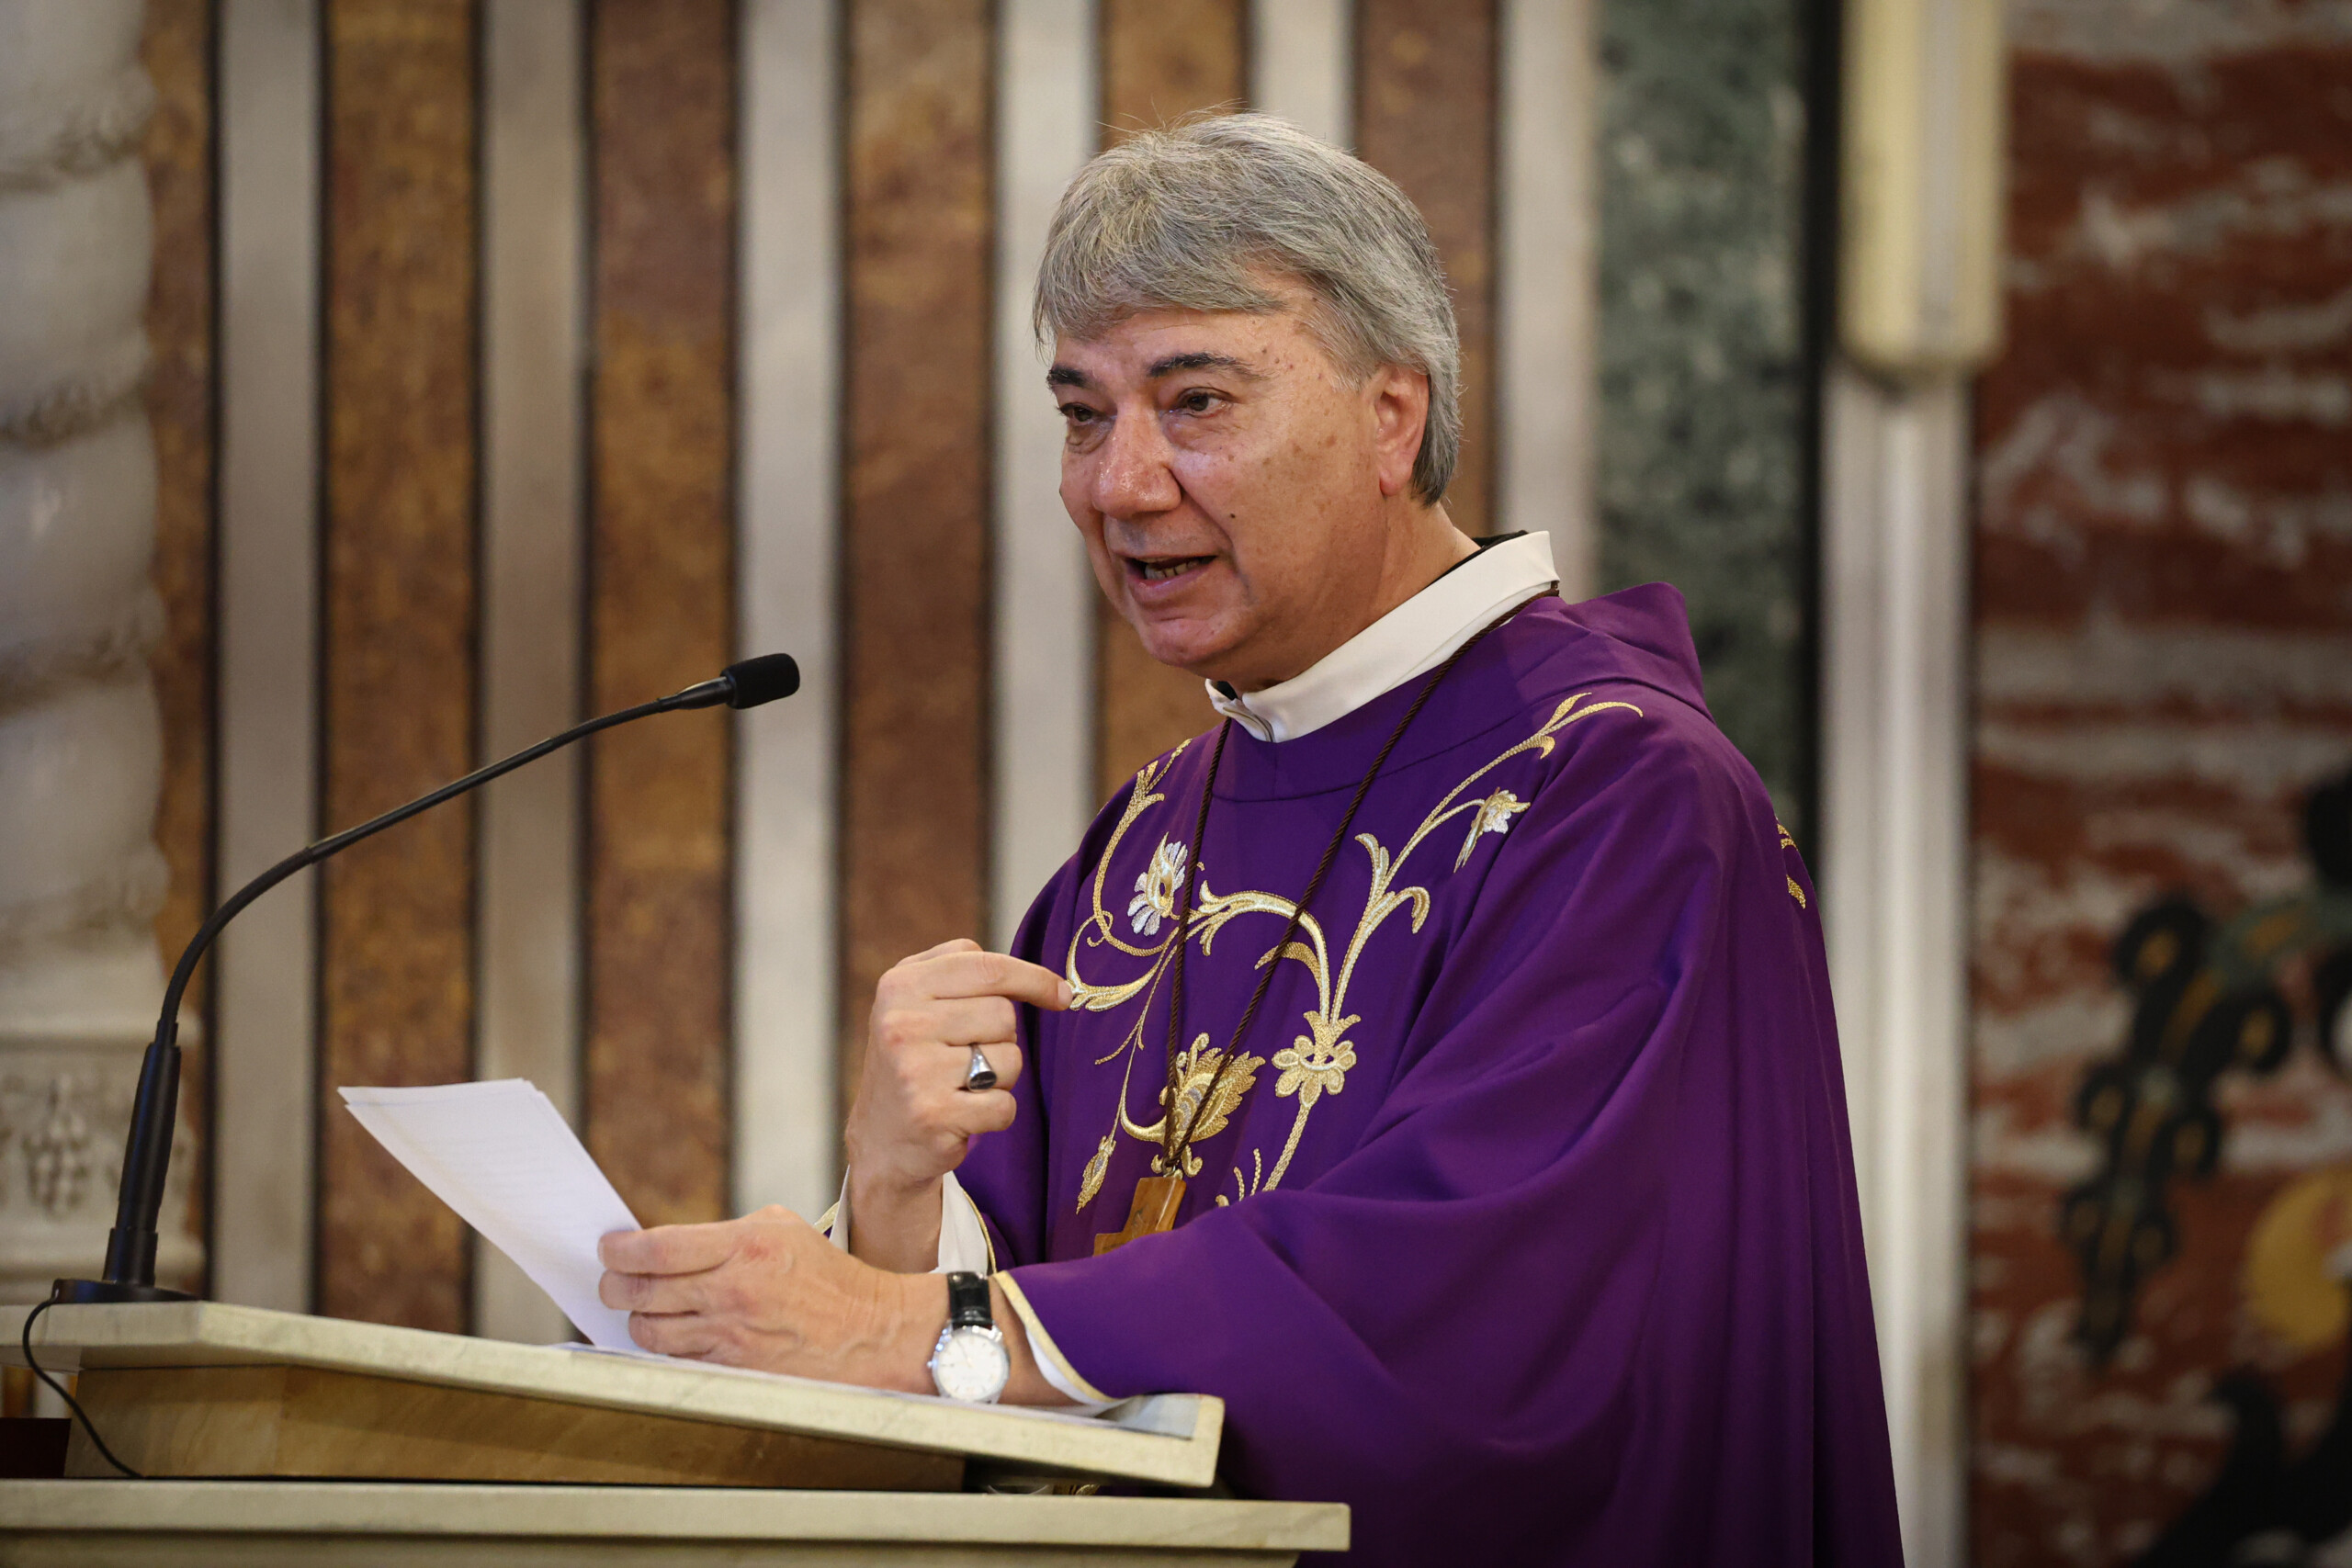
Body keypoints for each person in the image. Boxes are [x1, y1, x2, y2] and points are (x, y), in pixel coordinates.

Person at [598, 113, 1902, 1564]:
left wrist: (922, 1324)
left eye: (1196, 401)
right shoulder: (1161, 824)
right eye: (1083, 414)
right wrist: (902, 1201)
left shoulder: (1621, 800)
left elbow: (1478, 1312)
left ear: (1391, 420)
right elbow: (996, 1334)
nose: (1118, 483)